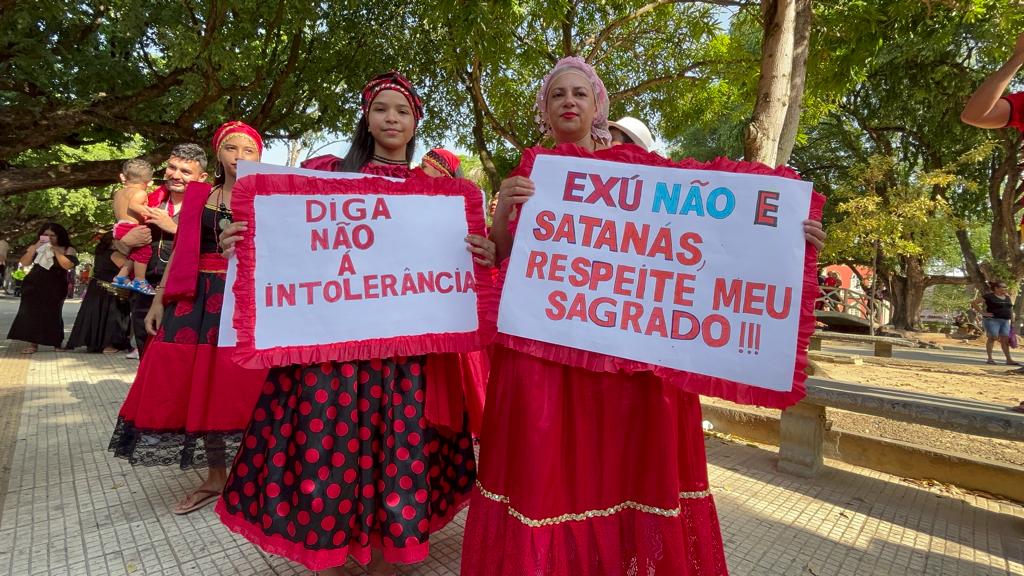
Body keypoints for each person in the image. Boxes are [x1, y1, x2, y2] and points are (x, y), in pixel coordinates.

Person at [461, 56, 826, 576]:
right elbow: (501, 259)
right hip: (544, 363)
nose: (569, 101)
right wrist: (500, 215)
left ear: (597, 108)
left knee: (619, 475)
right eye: (558, 94)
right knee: (546, 479)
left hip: (623, 366)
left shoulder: (642, 176)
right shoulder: (528, 175)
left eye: (579, 94)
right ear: (544, 109)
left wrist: (790, 239)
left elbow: (712, 242)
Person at [215, 72, 496, 576]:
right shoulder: (324, 174)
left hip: (404, 351)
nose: (392, 118)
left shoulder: (437, 194)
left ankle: (388, 549)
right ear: (366, 118)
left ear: (415, 125)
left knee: (396, 445)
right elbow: (286, 238)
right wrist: (242, 238)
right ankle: (338, 544)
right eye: (382, 109)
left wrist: (480, 251)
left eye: (403, 111)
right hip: (333, 348)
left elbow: (451, 273)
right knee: (335, 445)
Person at [108, 122, 269, 515]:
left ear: (259, 157)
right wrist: (161, 299)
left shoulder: (271, 197)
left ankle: (256, 471)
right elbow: (183, 250)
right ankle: (216, 476)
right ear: (218, 154)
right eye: (231, 148)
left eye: (248, 150)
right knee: (198, 383)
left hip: (249, 299)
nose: (239, 156)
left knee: (246, 383)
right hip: (198, 298)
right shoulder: (201, 196)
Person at [115, 143, 208, 358]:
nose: (176, 175)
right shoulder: (147, 199)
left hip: (186, 293)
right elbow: (118, 245)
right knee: (145, 356)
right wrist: (124, 241)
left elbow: (215, 249)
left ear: (201, 177)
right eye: (172, 167)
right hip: (144, 290)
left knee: (176, 360)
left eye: (185, 171)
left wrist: (174, 228)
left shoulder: (210, 204)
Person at [7, 223, 79, 353]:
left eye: (53, 235)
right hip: (34, 282)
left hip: (56, 283)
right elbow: (24, 262)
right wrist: (35, 247)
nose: (49, 238)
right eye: (46, 235)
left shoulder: (67, 249)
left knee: (54, 312)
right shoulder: (36, 247)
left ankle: (56, 342)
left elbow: (67, 265)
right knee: (31, 312)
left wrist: (55, 251)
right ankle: (32, 343)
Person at [66, 231, 131, 353]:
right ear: (114, 241)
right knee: (111, 316)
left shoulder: (101, 253)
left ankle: (95, 343)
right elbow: (127, 268)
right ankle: (109, 345)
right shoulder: (116, 254)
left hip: (97, 288)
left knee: (97, 315)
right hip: (110, 289)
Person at [111, 159, 158, 295]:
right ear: (149, 182)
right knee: (145, 253)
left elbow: (123, 209)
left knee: (135, 255)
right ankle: (140, 280)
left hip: (120, 226)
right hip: (131, 227)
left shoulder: (119, 192)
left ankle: (121, 276)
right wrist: (150, 211)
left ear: (123, 177)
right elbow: (133, 206)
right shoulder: (140, 193)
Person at [973, 281, 1018, 366]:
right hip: (992, 320)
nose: (1005, 289)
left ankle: (1009, 360)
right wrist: (982, 313)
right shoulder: (989, 296)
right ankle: (990, 359)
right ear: (996, 288)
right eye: (1003, 287)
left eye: (1005, 287)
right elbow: (974, 303)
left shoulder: (1007, 297)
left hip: (1005, 321)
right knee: (992, 338)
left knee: (1005, 340)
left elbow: (1010, 309)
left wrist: (1012, 320)